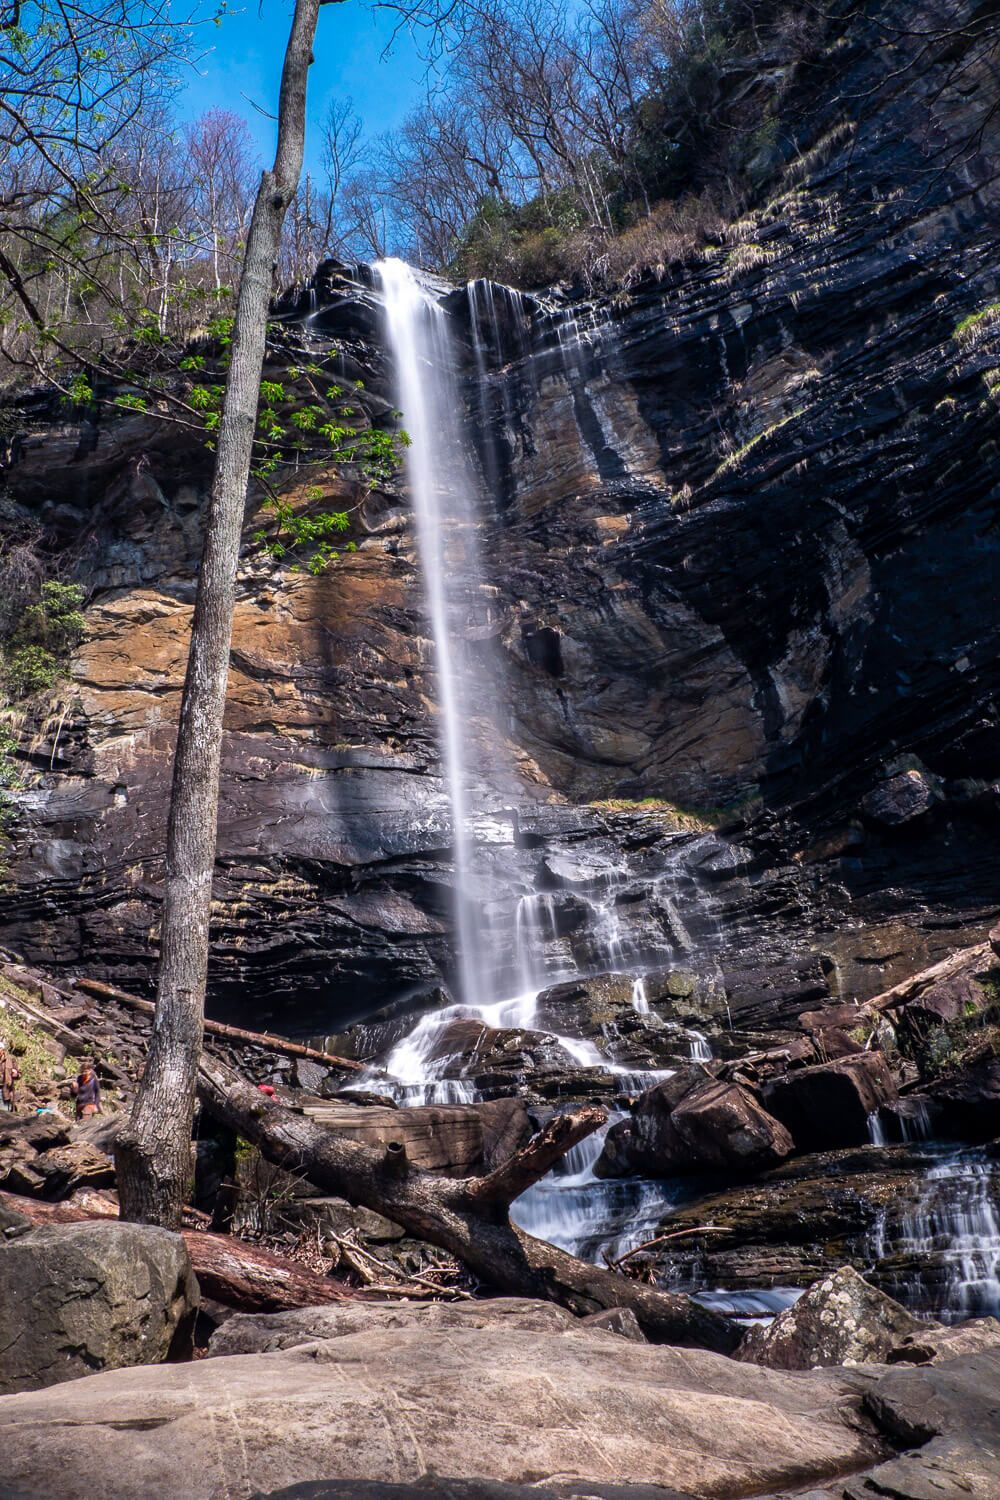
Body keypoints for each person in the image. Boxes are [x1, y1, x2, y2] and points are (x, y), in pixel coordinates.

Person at [0, 1041, 19, 1113]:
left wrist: (15, 1073)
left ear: (2, 1050)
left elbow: (19, 1074)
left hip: (6, 1090)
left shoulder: (11, 1060)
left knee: (4, 1115)